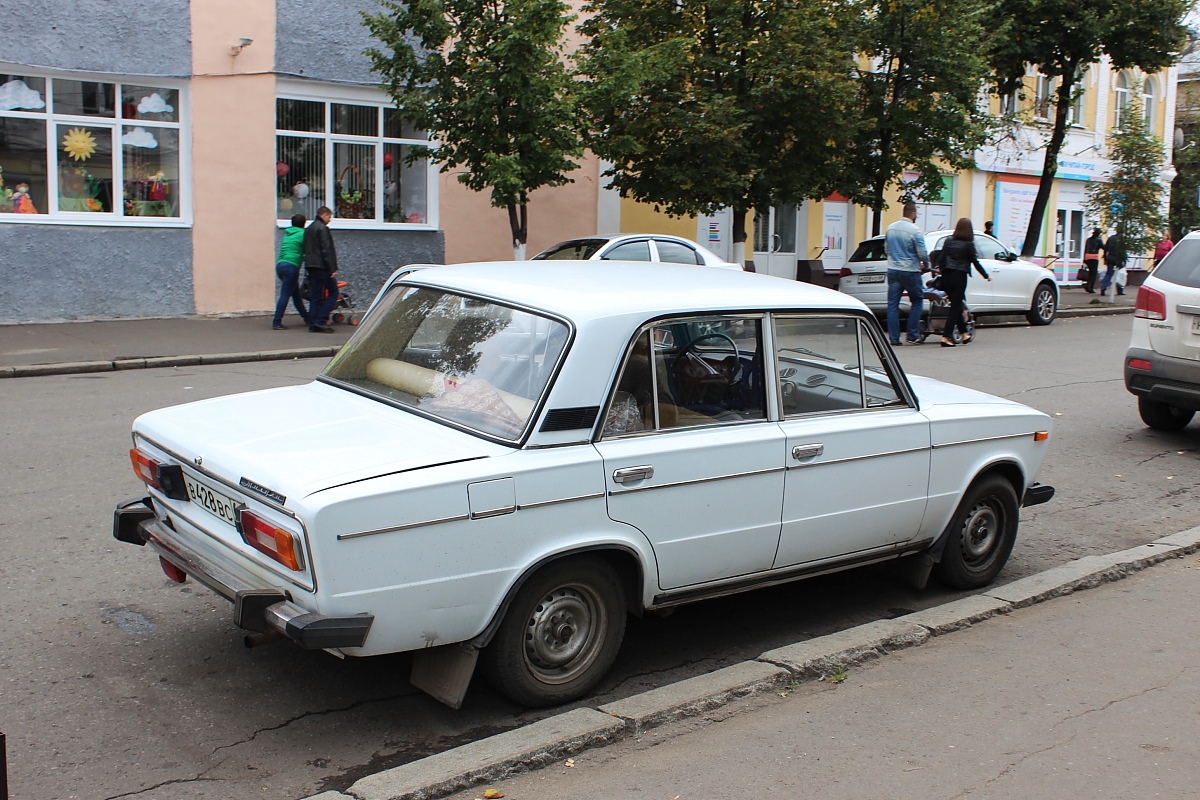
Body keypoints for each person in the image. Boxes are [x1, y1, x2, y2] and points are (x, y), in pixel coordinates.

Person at [936, 218, 991, 347]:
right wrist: (985, 275)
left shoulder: (948, 241)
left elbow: (941, 258)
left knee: (957, 304)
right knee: (955, 307)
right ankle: (946, 336)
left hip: (947, 276)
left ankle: (964, 333)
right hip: (959, 276)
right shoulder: (968, 244)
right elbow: (975, 262)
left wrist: (941, 273)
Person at [884, 202, 930, 346]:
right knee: (917, 301)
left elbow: (886, 249)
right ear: (913, 213)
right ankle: (911, 334)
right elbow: (922, 252)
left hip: (893, 269)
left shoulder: (890, 228)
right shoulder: (915, 231)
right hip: (910, 271)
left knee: (892, 305)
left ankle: (894, 338)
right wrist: (926, 265)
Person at [271, 213, 310, 330]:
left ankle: (307, 318)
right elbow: (307, 251)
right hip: (291, 267)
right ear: (304, 224)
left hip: (280, 265)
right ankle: (276, 322)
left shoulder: (287, 233)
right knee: (285, 295)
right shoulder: (303, 234)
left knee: (296, 295)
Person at [304, 206, 339, 333]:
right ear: (324, 215)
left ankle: (313, 324)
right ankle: (321, 320)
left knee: (315, 296)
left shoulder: (309, 228)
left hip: (311, 266)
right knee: (333, 293)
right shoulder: (322, 229)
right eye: (329, 217)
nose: (329, 220)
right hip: (322, 266)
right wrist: (332, 268)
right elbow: (326, 250)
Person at [1100, 232, 1126, 296]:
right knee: (1120, 274)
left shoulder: (1111, 238)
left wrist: (1105, 258)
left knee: (1109, 274)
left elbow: (1105, 249)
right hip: (1118, 258)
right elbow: (1123, 251)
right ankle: (1120, 290)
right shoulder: (1121, 239)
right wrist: (1123, 260)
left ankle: (1103, 287)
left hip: (1110, 257)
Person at [1081, 228, 1104, 293]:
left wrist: (1084, 259)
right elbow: (1103, 247)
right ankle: (1090, 287)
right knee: (1093, 273)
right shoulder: (1099, 240)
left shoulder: (1088, 240)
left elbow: (1085, 249)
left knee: (1089, 273)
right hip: (1094, 257)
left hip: (1087, 256)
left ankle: (1087, 285)